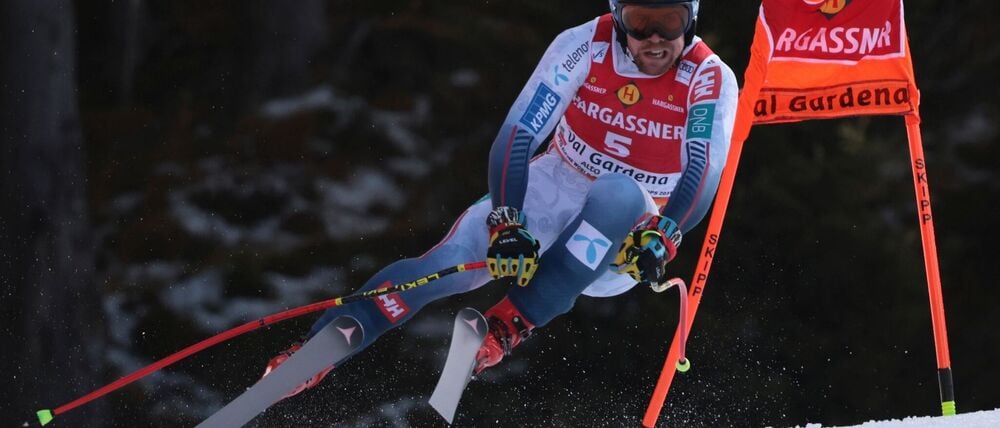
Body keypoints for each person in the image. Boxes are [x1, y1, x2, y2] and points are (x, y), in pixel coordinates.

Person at [263, 0, 737, 398]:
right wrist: (507, 222)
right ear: (617, 17)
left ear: (691, 18)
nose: (655, 38)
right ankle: (318, 351)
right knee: (448, 264)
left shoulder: (709, 77)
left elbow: (702, 168)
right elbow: (519, 134)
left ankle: (510, 323)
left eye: (670, 22)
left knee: (620, 191)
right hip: (557, 182)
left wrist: (667, 233)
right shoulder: (585, 44)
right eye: (640, 22)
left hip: (625, 230)